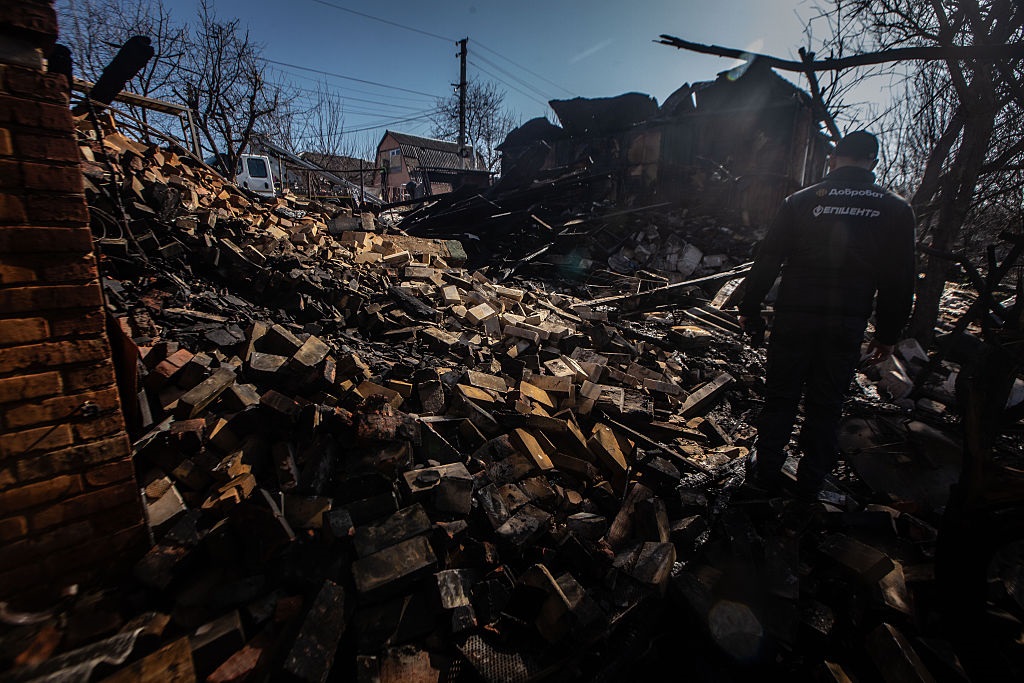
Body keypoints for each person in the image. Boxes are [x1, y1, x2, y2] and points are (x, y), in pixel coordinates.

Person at [738, 130, 916, 499]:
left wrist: (750, 307)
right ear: (874, 162)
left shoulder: (800, 201)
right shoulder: (895, 208)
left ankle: (765, 473)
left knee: (781, 397)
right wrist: (887, 333)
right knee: (826, 403)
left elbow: (768, 260)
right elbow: (899, 278)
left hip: (795, 316)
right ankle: (810, 483)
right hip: (845, 322)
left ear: (834, 159)